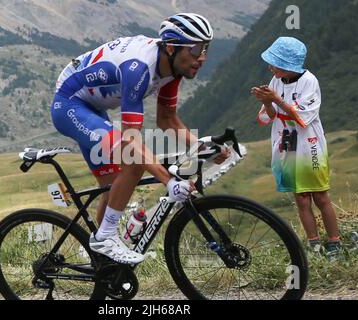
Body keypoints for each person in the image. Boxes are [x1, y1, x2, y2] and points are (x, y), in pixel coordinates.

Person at [51, 13, 229, 264]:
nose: (202, 58)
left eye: (206, 48)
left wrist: (204, 147)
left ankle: (104, 264)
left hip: (92, 107)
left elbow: (167, 120)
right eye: (196, 49)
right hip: (69, 105)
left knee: (114, 185)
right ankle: (105, 238)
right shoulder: (139, 68)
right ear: (171, 47)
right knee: (132, 161)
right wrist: (168, 181)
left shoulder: (173, 68)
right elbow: (130, 141)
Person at [251, 37, 341, 260]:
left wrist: (275, 100)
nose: (270, 67)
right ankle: (313, 245)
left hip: (309, 143)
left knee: (320, 196)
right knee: (300, 197)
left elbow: (301, 115)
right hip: (288, 141)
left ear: (288, 65)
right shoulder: (276, 81)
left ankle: (334, 242)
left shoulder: (309, 81)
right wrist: (265, 101)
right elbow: (271, 116)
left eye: (274, 63)